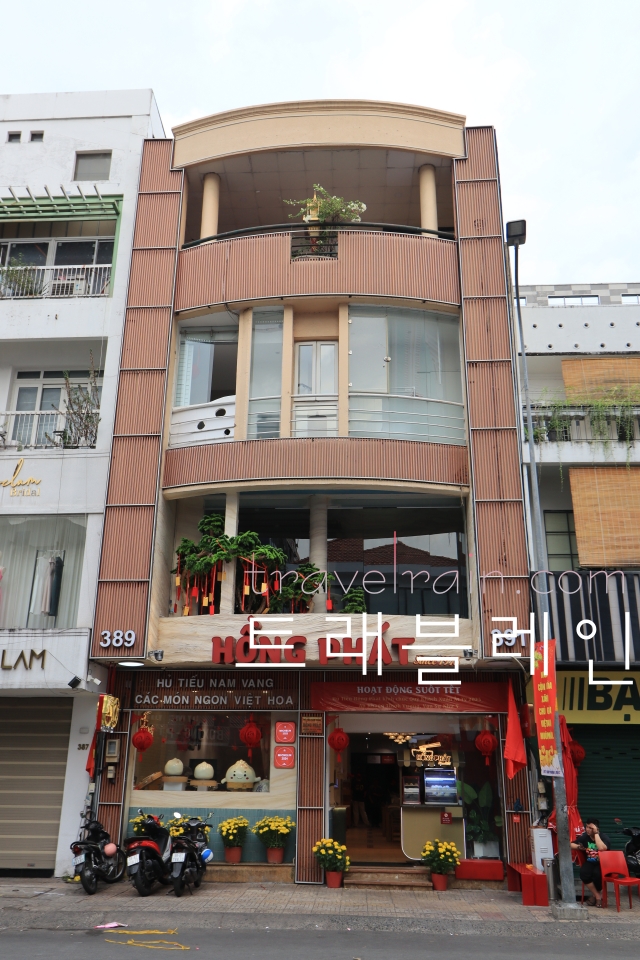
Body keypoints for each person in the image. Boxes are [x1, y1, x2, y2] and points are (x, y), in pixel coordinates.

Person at [571, 817, 611, 907]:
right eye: (587, 827)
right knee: (584, 873)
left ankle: (594, 896)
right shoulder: (585, 837)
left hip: (602, 863)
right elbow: (571, 844)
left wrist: (596, 833)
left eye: (590, 828)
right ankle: (597, 896)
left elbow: (602, 848)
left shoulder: (604, 837)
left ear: (596, 829)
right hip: (590, 862)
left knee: (597, 874)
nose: (587, 829)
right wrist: (578, 847)